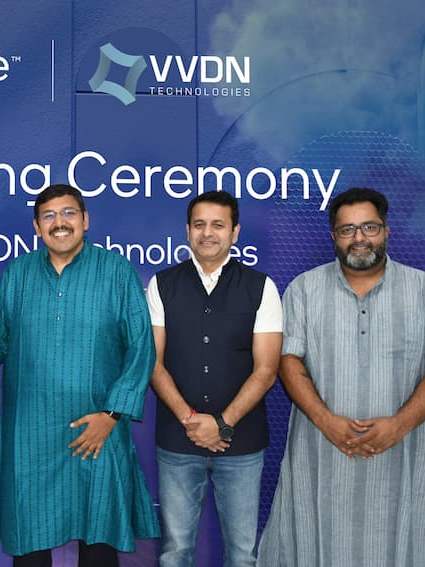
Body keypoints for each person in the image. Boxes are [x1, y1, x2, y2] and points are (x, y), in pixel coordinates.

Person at [258, 187, 425, 567]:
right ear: (333, 236)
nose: (359, 238)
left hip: (404, 458)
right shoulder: (303, 290)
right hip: (322, 458)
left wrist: (398, 425)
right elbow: (288, 360)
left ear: (386, 231)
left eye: (369, 227)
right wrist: (326, 421)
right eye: (347, 229)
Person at [0, 183, 160, 567]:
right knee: (29, 546)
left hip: (97, 430)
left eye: (69, 213)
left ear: (85, 220)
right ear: (37, 227)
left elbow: (142, 347)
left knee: (99, 545)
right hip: (30, 436)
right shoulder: (18, 274)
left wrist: (111, 415)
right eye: (49, 216)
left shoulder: (116, 271)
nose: (60, 223)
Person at [146, 190, 282, 567]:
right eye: (200, 224)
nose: (208, 233)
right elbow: (153, 363)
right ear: (187, 230)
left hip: (242, 444)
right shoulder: (162, 284)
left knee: (242, 554)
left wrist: (222, 424)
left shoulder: (261, 287)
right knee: (175, 552)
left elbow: (266, 370)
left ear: (235, 232)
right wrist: (192, 421)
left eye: (218, 225)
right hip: (178, 442)